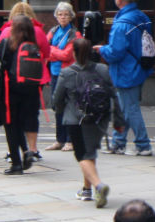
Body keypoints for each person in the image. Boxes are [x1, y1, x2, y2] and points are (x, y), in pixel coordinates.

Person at [52, 36, 122, 207]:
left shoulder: (67, 73)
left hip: (76, 119)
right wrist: (118, 120)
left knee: (82, 155)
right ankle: (87, 189)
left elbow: (56, 100)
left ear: (74, 53)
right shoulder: (103, 69)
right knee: (90, 153)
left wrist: (60, 111)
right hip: (99, 118)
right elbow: (115, 94)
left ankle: (98, 185)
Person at [98, 0, 153, 156]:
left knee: (130, 109)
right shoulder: (141, 17)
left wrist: (101, 49)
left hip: (126, 71)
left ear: (119, 0)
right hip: (140, 67)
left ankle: (143, 145)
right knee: (123, 109)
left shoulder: (122, 23)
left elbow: (115, 52)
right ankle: (118, 142)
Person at [0, 2, 51, 161]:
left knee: (13, 118)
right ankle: (33, 149)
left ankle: (13, 151)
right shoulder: (38, 31)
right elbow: (47, 53)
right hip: (34, 80)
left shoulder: (7, 31)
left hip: (11, 83)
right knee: (32, 115)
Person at [45, 1, 80, 151]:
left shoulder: (75, 33)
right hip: (54, 74)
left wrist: (52, 51)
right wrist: (54, 52)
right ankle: (59, 139)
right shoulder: (53, 31)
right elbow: (44, 50)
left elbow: (67, 55)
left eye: (66, 15)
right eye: (60, 14)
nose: (63, 17)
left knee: (69, 107)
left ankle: (70, 140)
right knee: (57, 106)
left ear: (71, 17)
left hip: (69, 74)